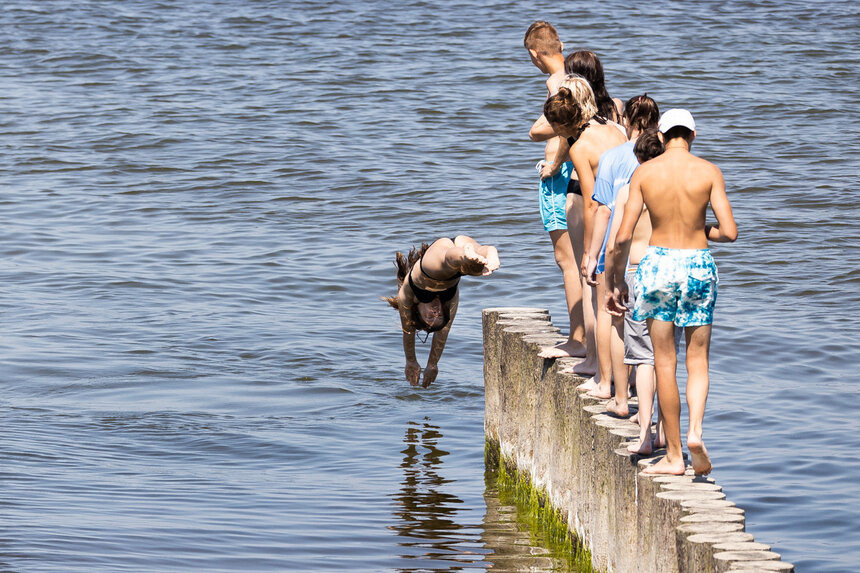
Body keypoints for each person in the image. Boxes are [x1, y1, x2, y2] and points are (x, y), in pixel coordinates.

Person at [606, 109, 738, 475]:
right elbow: (729, 232)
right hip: (698, 263)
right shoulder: (709, 172)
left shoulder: (645, 173)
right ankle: (696, 431)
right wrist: (701, 228)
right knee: (698, 360)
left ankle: (675, 455)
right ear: (693, 135)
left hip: (658, 264)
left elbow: (622, 234)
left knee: (664, 362)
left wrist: (615, 281)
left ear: (661, 137)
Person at [541, 75, 627, 391]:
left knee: (597, 295)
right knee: (620, 298)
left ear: (562, 127)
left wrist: (591, 253)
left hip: (604, 219)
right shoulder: (613, 131)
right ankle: (620, 373)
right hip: (630, 216)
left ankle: (599, 370)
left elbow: (593, 202)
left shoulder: (579, 146)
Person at [582, 94, 660, 409]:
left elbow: (601, 210)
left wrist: (591, 254)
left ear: (625, 120)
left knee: (612, 316)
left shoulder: (613, 157)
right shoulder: (664, 156)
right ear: (657, 123)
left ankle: (614, 390)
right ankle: (642, 391)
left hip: (616, 247)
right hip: (654, 252)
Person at [602, 129, 672, 454]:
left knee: (643, 356)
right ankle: (665, 433)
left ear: (638, 159)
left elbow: (618, 241)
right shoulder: (675, 189)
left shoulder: (633, 189)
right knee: (666, 356)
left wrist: (613, 283)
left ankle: (645, 434)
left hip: (639, 270)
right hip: (671, 270)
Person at [524, 22, 588, 360]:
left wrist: (554, 164)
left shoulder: (556, 83)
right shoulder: (578, 78)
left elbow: (565, 128)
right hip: (577, 175)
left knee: (568, 260)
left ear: (534, 54)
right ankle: (582, 334)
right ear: (559, 45)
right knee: (577, 258)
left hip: (559, 177)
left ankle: (578, 338)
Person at [384, 236, 500, 388]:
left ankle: (464, 254)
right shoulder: (450, 299)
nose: (436, 311)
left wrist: (411, 361)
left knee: (446, 263)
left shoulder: (408, 296)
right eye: (440, 315)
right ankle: (488, 251)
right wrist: (432, 364)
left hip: (432, 264)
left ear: (417, 311)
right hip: (459, 252)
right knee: (475, 268)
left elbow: (408, 331)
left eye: (430, 315)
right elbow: (443, 332)